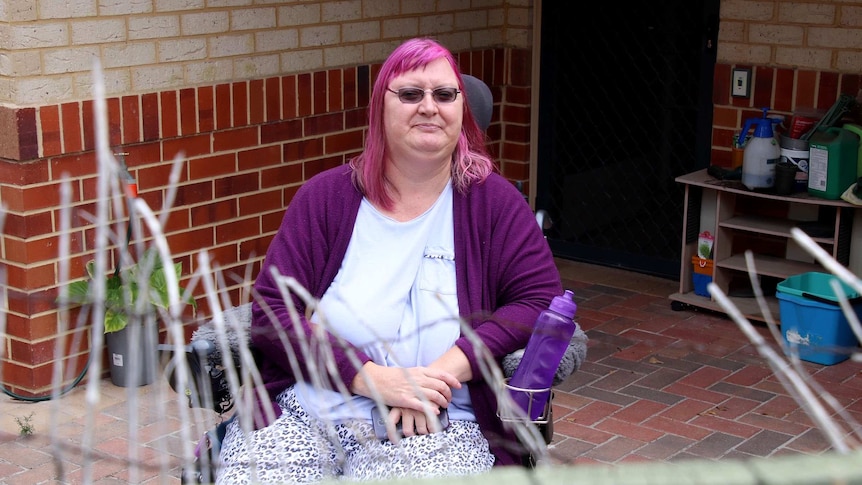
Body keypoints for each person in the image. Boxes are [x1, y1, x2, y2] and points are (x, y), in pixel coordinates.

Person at [216, 37, 563, 484]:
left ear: (462, 109)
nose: (429, 107)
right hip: (313, 408)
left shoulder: (492, 202)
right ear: (381, 107)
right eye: (411, 94)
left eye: (444, 94)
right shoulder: (327, 197)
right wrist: (371, 379)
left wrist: (440, 373)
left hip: (439, 423)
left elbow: (540, 300)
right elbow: (270, 308)